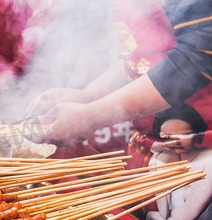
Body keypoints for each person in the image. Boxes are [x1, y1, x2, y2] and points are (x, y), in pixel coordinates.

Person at [28, 0, 212, 151]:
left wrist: (91, 116)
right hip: (155, 143)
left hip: (201, 144)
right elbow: (142, 55)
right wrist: (87, 94)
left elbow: (197, 56)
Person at [145, 103, 212, 220]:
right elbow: (164, 213)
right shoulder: (160, 161)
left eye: (184, 135)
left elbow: (184, 217)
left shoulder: (209, 162)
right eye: (168, 137)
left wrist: (158, 218)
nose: (176, 141)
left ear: (198, 135)